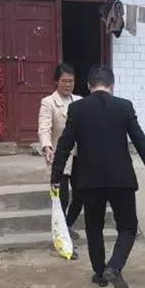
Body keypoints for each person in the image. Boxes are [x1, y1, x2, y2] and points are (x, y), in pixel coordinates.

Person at [51, 65, 145, 288]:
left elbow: (64, 145)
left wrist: (56, 176)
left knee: (94, 227)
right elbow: (140, 140)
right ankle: (115, 266)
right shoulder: (124, 106)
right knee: (128, 227)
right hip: (121, 178)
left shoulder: (77, 108)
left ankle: (100, 273)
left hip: (89, 180)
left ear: (88, 86)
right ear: (112, 85)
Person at [38, 63, 83, 252]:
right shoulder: (48, 102)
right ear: (56, 81)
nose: (68, 85)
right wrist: (46, 146)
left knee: (80, 196)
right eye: (64, 81)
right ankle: (63, 239)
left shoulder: (80, 101)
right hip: (59, 158)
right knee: (61, 199)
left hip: (79, 157)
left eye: (71, 81)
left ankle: (67, 225)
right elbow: (44, 127)